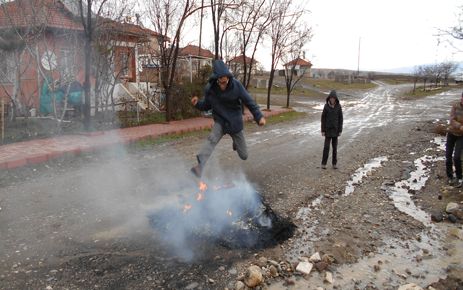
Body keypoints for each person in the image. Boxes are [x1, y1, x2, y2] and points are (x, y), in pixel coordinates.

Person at [190, 59, 266, 177]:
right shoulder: (210, 89)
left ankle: (235, 142)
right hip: (220, 121)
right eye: (221, 81)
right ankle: (200, 167)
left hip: (234, 123)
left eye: (226, 80)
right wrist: (197, 104)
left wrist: (259, 116)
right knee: (211, 139)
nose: (224, 84)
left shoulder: (236, 86)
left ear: (228, 78)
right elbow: (206, 106)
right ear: (216, 79)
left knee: (244, 155)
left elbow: (249, 101)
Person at [321, 90, 343, 169]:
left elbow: (341, 119)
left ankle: (334, 164)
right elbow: (323, 118)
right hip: (327, 130)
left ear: (336, 99)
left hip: (335, 130)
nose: (332, 100)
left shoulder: (338, 106)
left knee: (335, 148)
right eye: (331, 98)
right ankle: (323, 163)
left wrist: (340, 130)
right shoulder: (326, 106)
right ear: (329, 98)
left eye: (333, 98)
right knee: (326, 147)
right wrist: (323, 130)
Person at [445, 91, 463, 187]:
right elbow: (452, 119)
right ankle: (450, 177)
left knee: (456, 157)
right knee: (448, 155)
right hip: (452, 133)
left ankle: (459, 177)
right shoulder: (455, 106)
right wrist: (459, 126)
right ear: (461, 98)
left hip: (461, 136)